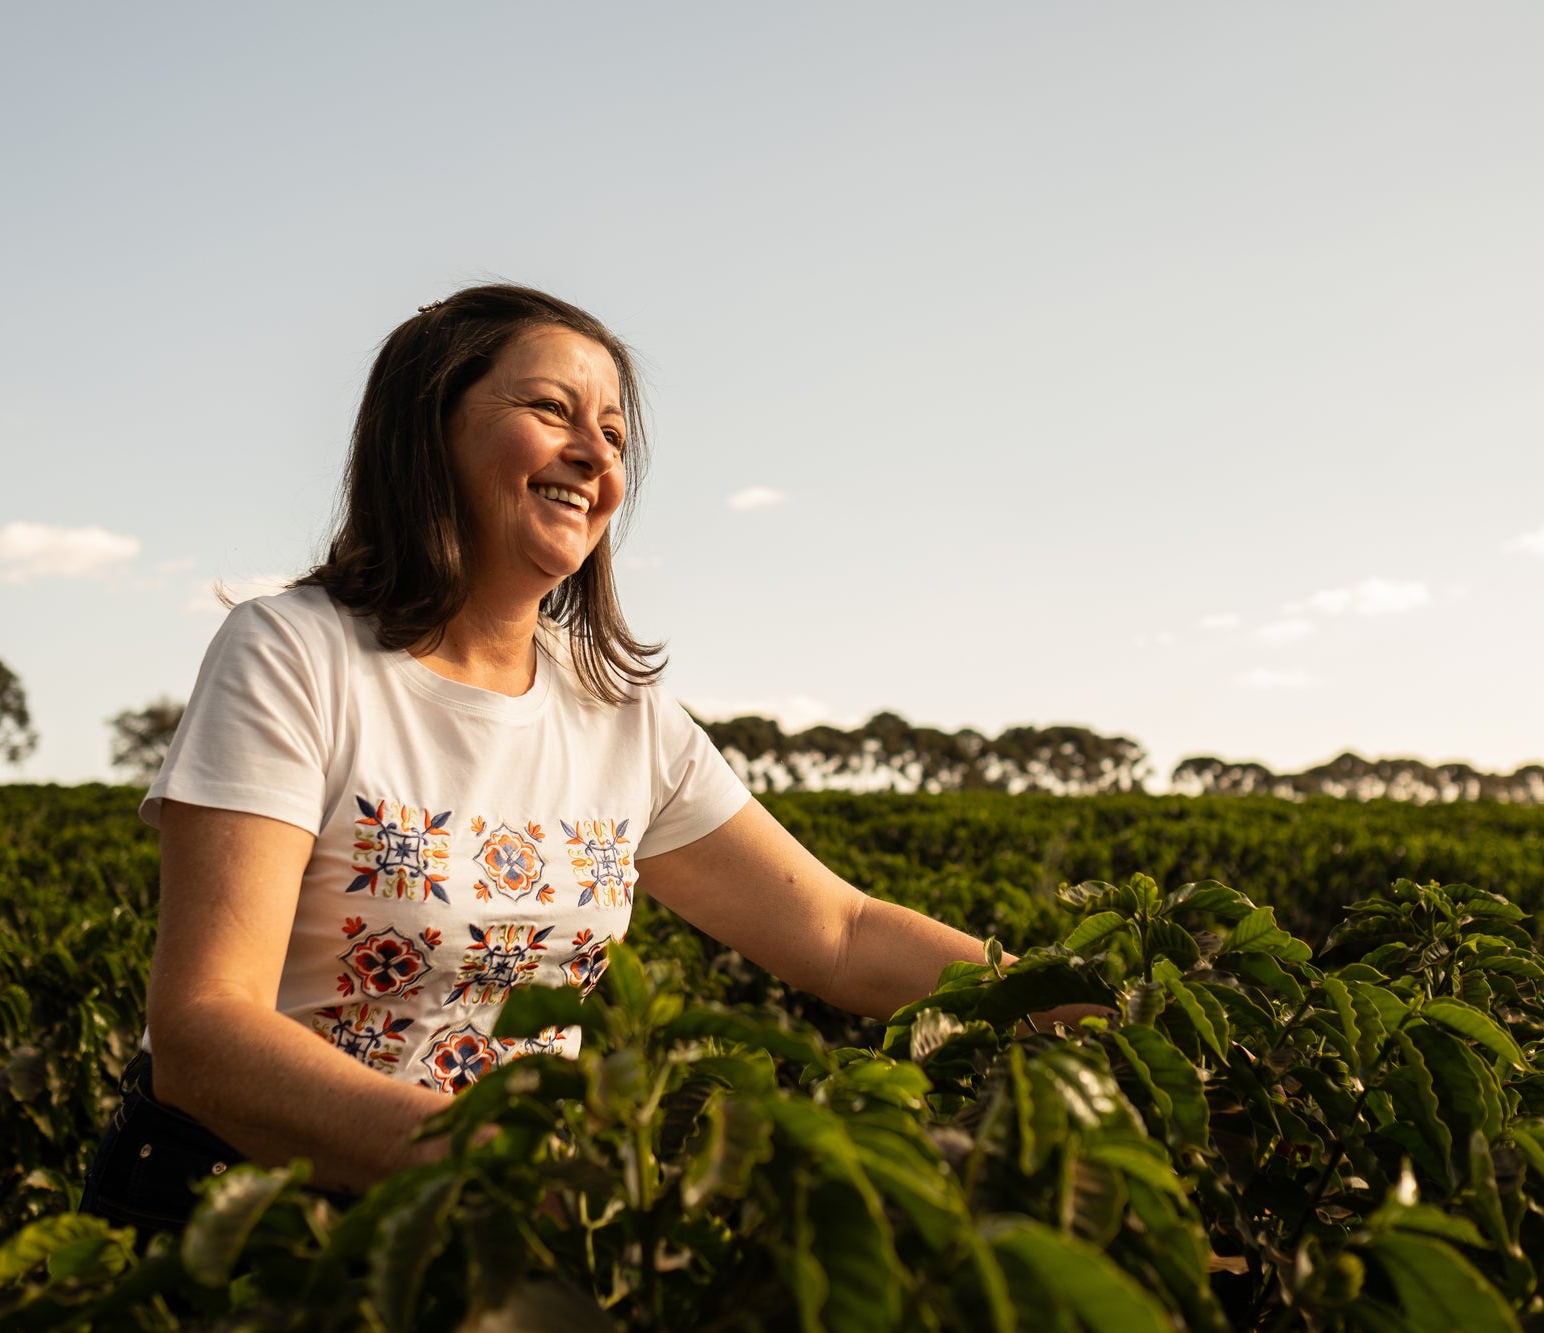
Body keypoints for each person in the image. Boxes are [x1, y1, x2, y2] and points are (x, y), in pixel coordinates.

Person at [79, 285, 1067, 1232]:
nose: (592, 452)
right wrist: (478, 1158)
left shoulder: (614, 707)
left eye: (615, 435)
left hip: (503, 1225)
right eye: (551, 409)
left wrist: (1079, 1003)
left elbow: (840, 933)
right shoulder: (295, 653)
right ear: (429, 431)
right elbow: (205, 1034)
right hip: (249, 1220)